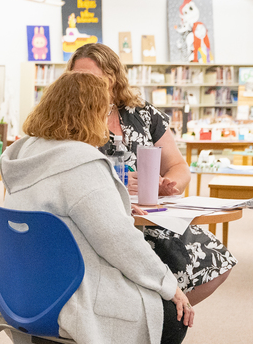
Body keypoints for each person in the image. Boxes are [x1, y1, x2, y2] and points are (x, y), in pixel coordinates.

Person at [0, 71, 193, 344]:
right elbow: (117, 240)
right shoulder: (81, 165)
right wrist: (169, 284)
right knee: (172, 315)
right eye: (104, 112)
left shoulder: (25, 154)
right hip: (66, 298)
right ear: (87, 114)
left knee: (149, 297)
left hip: (19, 294)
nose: (109, 121)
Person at [68, 43, 235, 310]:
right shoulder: (69, 119)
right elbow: (68, 178)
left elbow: (179, 166)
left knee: (219, 259)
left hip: (151, 215)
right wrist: (118, 184)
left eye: (91, 79)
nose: (83, 86)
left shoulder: (142, 113)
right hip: (103, 223)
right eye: (76, 79)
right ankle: (147, 320)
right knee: (147, 266)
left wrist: (169, 185)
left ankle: (155, 319)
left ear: (112, 78)